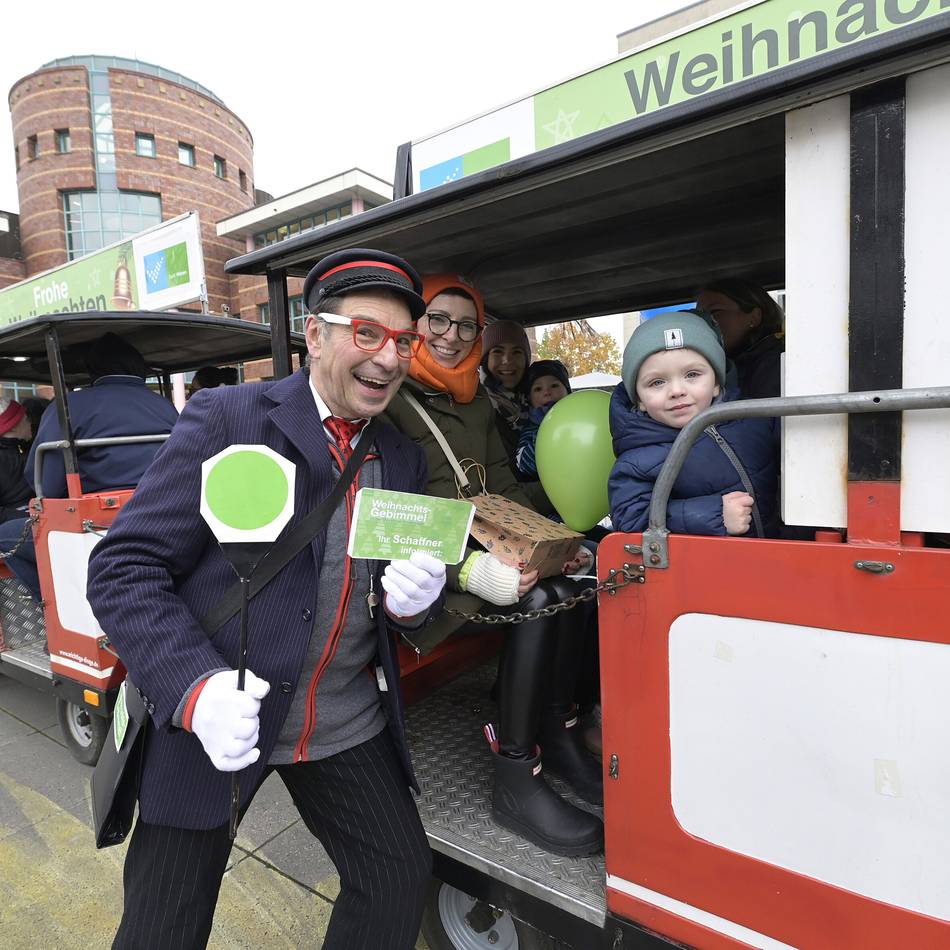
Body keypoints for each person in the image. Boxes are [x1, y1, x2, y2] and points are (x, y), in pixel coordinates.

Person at [86, 249, 446, 950]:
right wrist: (196, 689)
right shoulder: (230, 417)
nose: (390, 357)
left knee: (398, 875)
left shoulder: (400, 456)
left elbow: (386, 590)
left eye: (405, 341)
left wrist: (415, 606)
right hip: (218, 718)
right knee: (163, 927)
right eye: (367, 333)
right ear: (315, 336)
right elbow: (123, 568)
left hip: (340, 719)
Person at [383, 274, 604, 858]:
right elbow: (388, 515)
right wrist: (467, 573)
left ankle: (556, 732)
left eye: (466, 325)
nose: (452, 337)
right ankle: (515, 771)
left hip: (485, 546)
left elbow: (502, 486)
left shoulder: (474, 398)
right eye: (438, 321)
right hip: (421, 578)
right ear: (414, 324)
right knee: (538, 598)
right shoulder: (389, 397)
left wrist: (560, 539)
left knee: (570, 578)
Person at [0, 334, 179, 599]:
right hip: (160, 513)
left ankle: (56, 605)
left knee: (5, 536)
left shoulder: (70, 406)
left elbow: (45, 486)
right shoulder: (166, 407)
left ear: (93, 370)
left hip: (95, 521)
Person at [609, 311, 779, 537]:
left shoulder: (757, 421)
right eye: (657, 382)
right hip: (714, 568)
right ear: (639, 399)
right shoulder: (636, 460)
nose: (677, 391)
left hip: (788, 556)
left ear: (716, 383)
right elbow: (630, 517)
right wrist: (715, 514)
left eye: (692, 374)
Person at [696, 277, 785, 399]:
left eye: (715, 311)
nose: (704, 321)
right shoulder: (724, 362)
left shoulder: (774, 363)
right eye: (700, 315)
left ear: (754, 317)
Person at [479, 319, 532, 465]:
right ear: (485, 359)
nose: (507, 360)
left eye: (516, 352)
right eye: (497, 351)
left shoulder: (538, 402)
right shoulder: (476, 405)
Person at [515, 359, 572, 479]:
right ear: (529, 399)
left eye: (554, 385)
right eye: (538, 389)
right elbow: (523, 464)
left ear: (567, 390)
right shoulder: (531, 429)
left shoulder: (579, 420)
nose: (547, 392)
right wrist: (547, 430)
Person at [0, 398, 33, 523]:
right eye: (26, 419)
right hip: (15, 522)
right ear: (12, 427)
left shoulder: (24, 449)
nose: (31, 422)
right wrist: (33, 519)